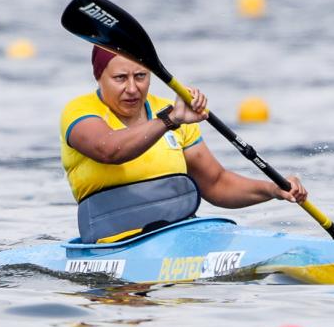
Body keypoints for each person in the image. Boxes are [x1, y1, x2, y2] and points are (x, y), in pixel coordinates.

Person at [60, 46, 307, 243]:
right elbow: (109, 149)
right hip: (113, 246)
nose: (133, 88)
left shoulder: (171, 112)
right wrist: (170, 120)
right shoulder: (80, 111)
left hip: (178, 237)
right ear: (99, 76)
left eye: (141, 76)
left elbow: (216, 183)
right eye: (120, 78)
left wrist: (273, 190)